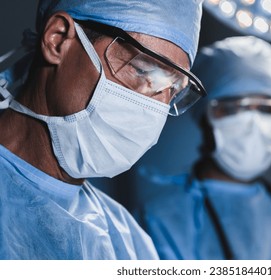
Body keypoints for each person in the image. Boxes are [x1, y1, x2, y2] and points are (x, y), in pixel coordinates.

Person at [0, 0, 205, 259]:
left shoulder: (130, 245)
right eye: (141, 70)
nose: (154, 107)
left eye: (172, 90)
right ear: (57, 39)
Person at [137, 36, 271, 260]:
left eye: (267, 109)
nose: (253, 124)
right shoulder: (159, 222)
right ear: (204, 117)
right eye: (234, 109)